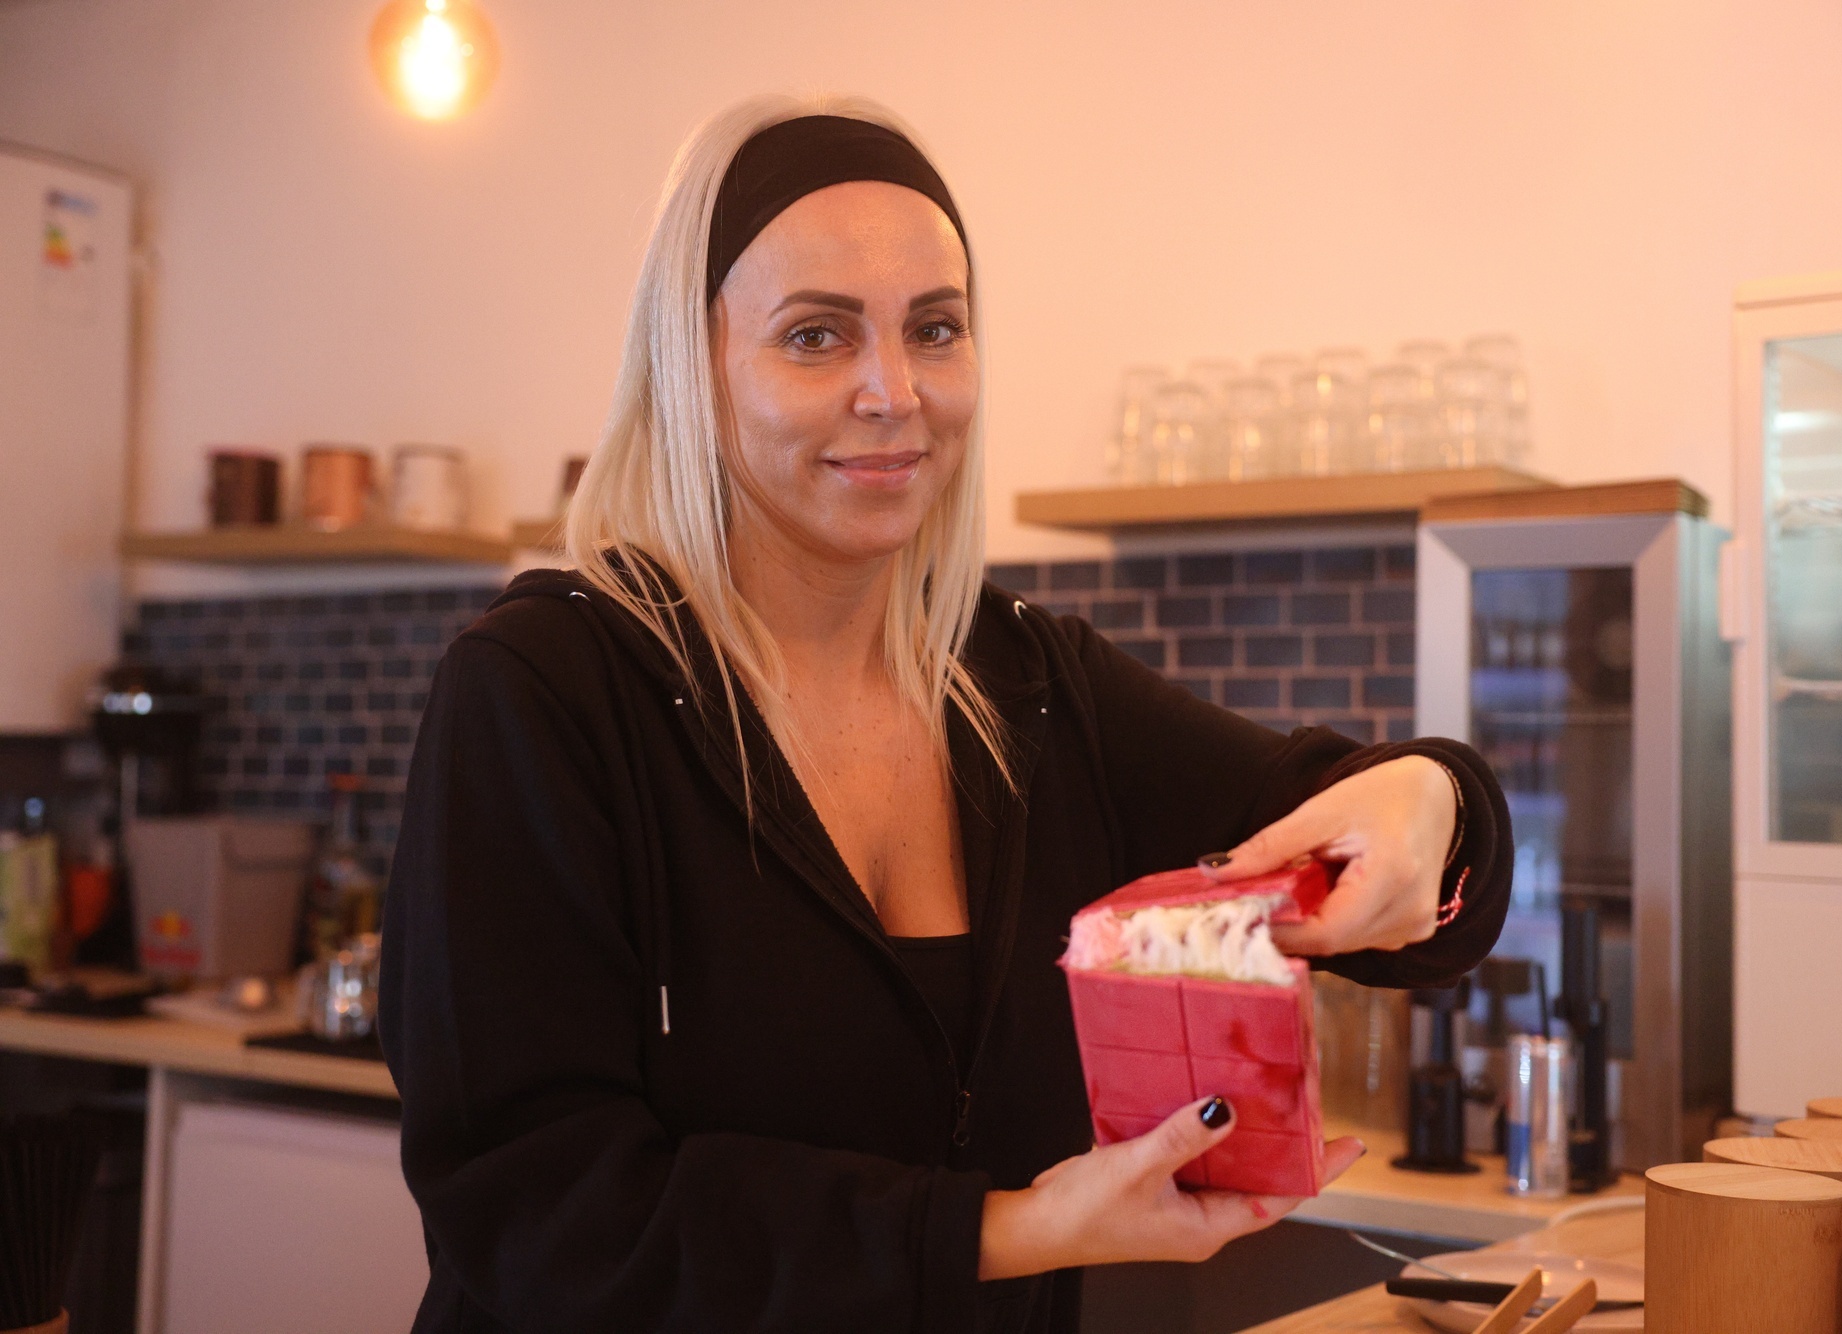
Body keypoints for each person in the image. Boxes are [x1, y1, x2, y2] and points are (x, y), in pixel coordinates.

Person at [379, 95, 1512, 1334]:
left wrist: (1433, 799)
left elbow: (1398, 897)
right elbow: (540, 1213)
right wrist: (1006, 1228)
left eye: (934, 328)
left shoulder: (1022, 682)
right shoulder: (546, 689)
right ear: (691, 367)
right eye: (814, 336)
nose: (893, 390)